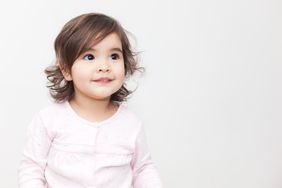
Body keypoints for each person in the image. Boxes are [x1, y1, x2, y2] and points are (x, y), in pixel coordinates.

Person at [18, 13, 162, 188]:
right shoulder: (49, 120)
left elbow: (143, 169)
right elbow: (32, 168)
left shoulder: (131, 124)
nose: (104, 67)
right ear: (66, 70)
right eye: (90, 57)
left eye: (114, 56)